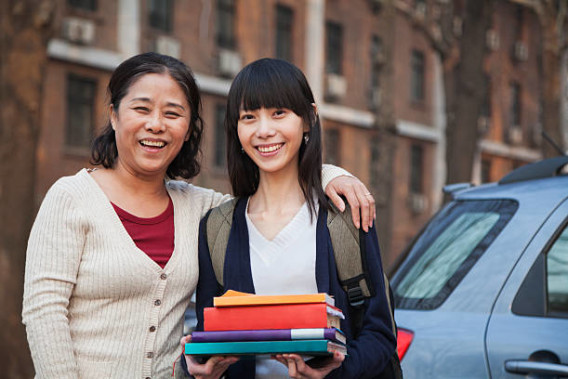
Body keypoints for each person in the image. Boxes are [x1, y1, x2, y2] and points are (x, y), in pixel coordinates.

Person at [21, 52, 377, 378]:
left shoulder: (201, 209)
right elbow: (44, 313)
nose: (156, 125)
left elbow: (273, 191)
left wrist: (330, 174)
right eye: (141, 109)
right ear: (114, 115)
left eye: (173, 113)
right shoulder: (72, 198)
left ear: (190, 128)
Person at [184, 58, 397, 379]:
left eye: (279, 113)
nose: (264, 130)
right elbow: (211, 333)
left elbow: (380, 334)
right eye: (249, 117)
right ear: (236, 130)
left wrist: (334, 374)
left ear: (308, 119)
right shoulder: (216, 228)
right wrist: (203, 369)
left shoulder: (345, 215)